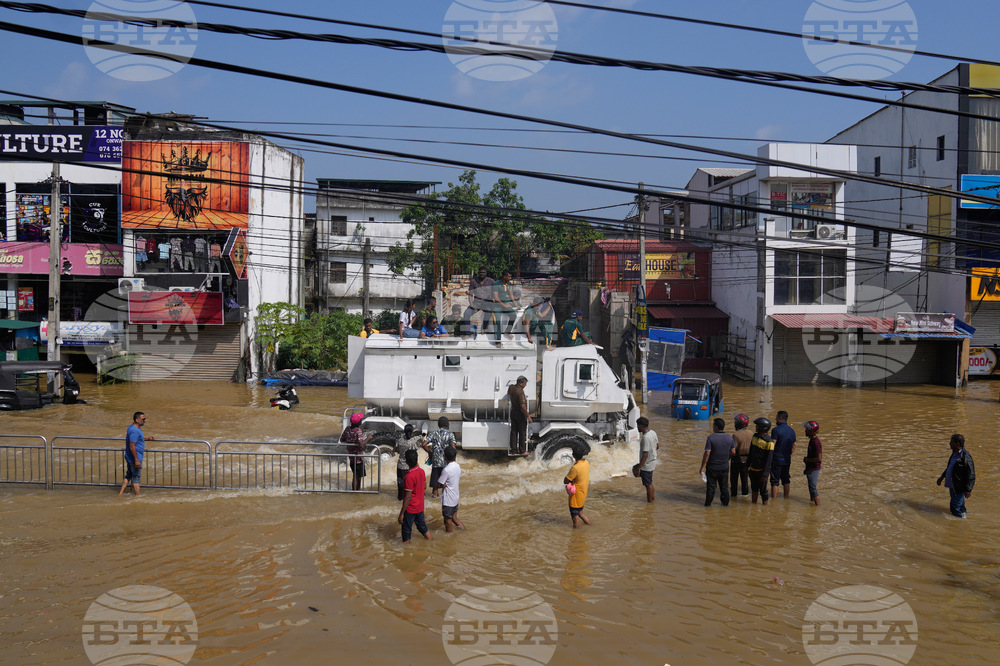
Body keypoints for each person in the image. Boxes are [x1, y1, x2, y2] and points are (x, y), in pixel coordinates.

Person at [936, 433, 976, 518]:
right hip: (953, 484)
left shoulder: (966, 457)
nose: (950, 443)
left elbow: (971, 474)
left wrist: (968, 489)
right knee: (960, 505)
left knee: (954, 507)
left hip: (959, 486)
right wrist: (942, 477)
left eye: (951, 442)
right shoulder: (954, 453)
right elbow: (950, 467)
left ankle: (959, 524)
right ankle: (964, 517)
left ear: (957, 444)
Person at [398, 449, 432, 543]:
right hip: (420, 507)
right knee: (423, 528)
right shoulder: (421, 471)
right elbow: (424, 486)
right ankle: (431, 541)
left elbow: (408, 497)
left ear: (406, 462)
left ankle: (407, 554)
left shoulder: (408, 477)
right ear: (417, 459)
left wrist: (401, 513)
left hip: (410, 509)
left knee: (406, 533)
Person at [699, 417, 735, 507]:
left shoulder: (711, 438)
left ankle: (707, 506)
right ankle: (725, 505)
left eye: (713, 425)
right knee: (724, 487)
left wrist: (702, 468)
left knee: (711, 488)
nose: (712, 427)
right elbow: (733, 452)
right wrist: (727, 458)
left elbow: (707, 453)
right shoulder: (729, 438)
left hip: (712, 467)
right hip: (724, 467)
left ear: (716, 427)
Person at [119, 411, 153, 496]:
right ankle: (137, 497)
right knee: (136, 478)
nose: (145, 420)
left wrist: (147, 439)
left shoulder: (132, 427)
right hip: (134, 458)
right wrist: (137, 460)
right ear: (137, 420)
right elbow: (132, 446)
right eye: (143, 419)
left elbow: (136, 440)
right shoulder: (135, 431)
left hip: (130, 457)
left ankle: (120, 493)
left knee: (129, 475)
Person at [423, 417, 455, 498]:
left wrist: (429, 452)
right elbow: (453, 448)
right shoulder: (450, 434)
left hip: (436, 463)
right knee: (446, 485)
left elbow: (424, 444)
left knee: (435, 485)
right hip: (446, 463)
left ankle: (434, 499)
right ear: (448, 424)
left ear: (438, 425)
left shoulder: (434, 433)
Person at [341, 413, 373, 491]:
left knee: (355, 475)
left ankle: (355, 490)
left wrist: (350, 440)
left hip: (351, 456)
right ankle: (356, 491)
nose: (361, 421)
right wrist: (368, 438)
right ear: (358, 423)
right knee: (357, 476)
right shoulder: (358, 430)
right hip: (358, 457)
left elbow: (342, 439)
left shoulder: (347, 429)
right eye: (360, 420)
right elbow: (361, 444)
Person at [437, 446, 466, 532]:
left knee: (447, 521)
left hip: (448, 500)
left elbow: (439, 484)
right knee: (454, 518)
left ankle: (449, 537)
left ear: (445, 456)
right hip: (455, 497)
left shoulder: (446, 470)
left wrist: (443, 485)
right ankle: (465, 531)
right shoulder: (457, 466)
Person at [747, 417, 775, 505]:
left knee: (763, 491)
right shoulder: (755, 436)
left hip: (761, 472)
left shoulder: (769, 442)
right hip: (753, 469)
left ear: (763, 428)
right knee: (754, 489)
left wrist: (765, 474)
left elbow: (769, 460)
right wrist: (747, 465)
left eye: (757, 426)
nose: (756, 427)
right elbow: (751, 452)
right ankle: (754, 506)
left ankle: (765, 508)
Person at [564, 443, 591, 528]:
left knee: (575, 517)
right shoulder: (586, 463)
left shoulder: (575, 468)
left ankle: (576, 535)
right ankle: (590, 525)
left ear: (573, 455)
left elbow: (566, 480)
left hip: (576, 496)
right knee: (580, 513)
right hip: (583, 493)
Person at [770, 410, 797, 499]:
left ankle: (773, 501)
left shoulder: (775, 430)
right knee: (786, 480)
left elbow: (773, 444)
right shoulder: (792, 431)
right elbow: (794, 445)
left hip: (777, 459)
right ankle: (786, 499)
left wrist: (769, 456)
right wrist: (789, 454)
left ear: (780, 418)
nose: (775, 419)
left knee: (775, 481)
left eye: (776, 417)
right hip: (786, 459)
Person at [395, 424, 424, 501]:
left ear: (404, 431)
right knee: (409, 486)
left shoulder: (400, 440)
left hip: (400, 466)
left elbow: (395, 449)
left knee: (400, 483)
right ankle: (408, 501)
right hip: (410, 466)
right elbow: (421, 439)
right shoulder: (414, 440)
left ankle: (400, 499)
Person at [633, 416, 658, 502]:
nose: (637, 427)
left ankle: (649, 504)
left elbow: (645, 454)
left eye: (638, 425)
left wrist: (639, 468)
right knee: (650, 483)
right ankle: (653, 498)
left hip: (647, 464)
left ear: (641, 426)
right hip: (653, 461)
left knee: (648, 484)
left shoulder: (645, 438)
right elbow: (657, 446)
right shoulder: (653, 433)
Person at [507, 375, 532, 456]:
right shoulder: (520, 392)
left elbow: (509, 393)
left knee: (513, 432)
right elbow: (523, 406)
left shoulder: (511, 388)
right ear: (521, 383)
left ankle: (513, 450)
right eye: (525, 383)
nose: (525, 385)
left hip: (513, 412)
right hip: (520, 414)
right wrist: (528, 416)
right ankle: (522, 451)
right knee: (522, 433)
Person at [491, 270, 518, 342]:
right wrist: (504, 305)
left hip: (505, 304)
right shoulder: (496, 283)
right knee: (497, 321)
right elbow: (496, 297)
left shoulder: (508, 283)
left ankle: (507, 331)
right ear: (504, 276)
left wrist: (516, 304)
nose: (510, 278)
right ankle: (498, 341)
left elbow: (511, 294)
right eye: (509, 276)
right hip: (496, 306)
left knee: (513, 315)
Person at [730, 413, 752, 498]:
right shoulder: (751, 433)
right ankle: (745, 495)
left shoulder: (736, 435)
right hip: (747, 461)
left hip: (736, 460)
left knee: (734, 480)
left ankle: (733, 497)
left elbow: (733, 451)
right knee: (745, 480)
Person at [802, 420, 823, 507]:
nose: (805, 431)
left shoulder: (816, 442)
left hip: (814, 468)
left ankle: (817, 507)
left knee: (813, 489)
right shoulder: (812, 440)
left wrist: (807, 460)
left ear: (812, 431)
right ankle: (811, 504)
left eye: (807, 429)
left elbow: (819, 459)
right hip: (810, 468)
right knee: (811, 488)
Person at [467, 266, 494, 331]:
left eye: (483, 272)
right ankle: (467, 332)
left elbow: (495, 292)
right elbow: (470, 294)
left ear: (486, 273)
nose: (482, 274)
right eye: (480, 272)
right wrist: (471, 304)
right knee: (466, 313)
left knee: (489, 311)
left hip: (487, 303)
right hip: (476, 303)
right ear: (478, 273)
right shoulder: (473, 281)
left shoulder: (491, 281)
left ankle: (483, 328)